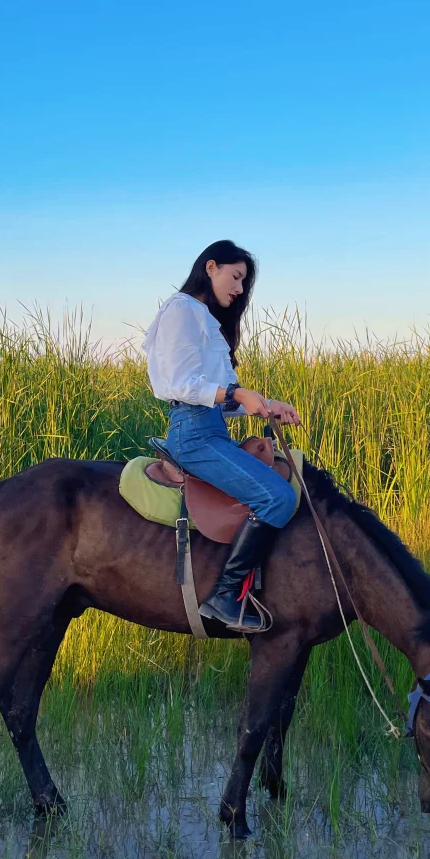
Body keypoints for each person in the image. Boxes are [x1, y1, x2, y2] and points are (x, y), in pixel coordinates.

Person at [143, 240, 301, 632]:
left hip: (209, 428)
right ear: (210, 266)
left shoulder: (205, 321)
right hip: (193, 435)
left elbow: (221, 398)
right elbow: (182, 384)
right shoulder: (182, 310)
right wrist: (235, 393)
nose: (239, 289)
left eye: (245, 283)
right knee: (277, 496)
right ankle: (224, 596)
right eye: (236, 276)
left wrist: (264, 402)